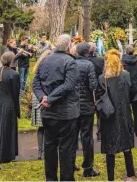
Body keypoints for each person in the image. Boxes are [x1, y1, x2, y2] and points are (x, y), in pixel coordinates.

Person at [33, 34, 80, 182]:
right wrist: (47, 99)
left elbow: (36, 83)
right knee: (65, 149)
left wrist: (44, 98)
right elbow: (69, 85)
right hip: (65, 112)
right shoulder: (70, 62)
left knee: (50, 147)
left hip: (48, 111)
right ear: (68, 46)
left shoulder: (44, 60)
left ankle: (51, 179)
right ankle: (65, 178)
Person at [96, 49, 135, 182]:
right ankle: (130, 175)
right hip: (124, 113)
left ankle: (110, 177)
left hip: (109, 115)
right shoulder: (126, 75)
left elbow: (99, 95)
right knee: (127, 146)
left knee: (109, 149)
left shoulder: (102, 79)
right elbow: (132, 92)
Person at [75, 42, 99, 177]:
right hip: (86, 105)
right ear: (87, 52)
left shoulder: (71, 63)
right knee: (87, 137)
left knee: (72, 136)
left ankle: (70, 163)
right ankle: (88, 168)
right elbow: (93, 85)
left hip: (73, 105)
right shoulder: (89, 65)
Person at [31, 49, 53, 159]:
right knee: (45, 126)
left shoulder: (38, 67)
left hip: (38, 96)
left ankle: (41, 151)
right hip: (43, 97)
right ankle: (43, 151)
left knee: (41, 127)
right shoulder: (46, 67)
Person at [122, 45, 137, 137]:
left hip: (126, 87)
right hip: (136, 87)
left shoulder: (122, 61)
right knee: (136, 110)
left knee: (126, 110)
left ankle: (128, 130)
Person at [89, 43, 105, 141]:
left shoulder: (85, 61)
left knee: (88, 114)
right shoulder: (100, 60)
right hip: (99, 90)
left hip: (88, 91)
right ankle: (100, 133)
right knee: (100, 113)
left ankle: (88, 135)